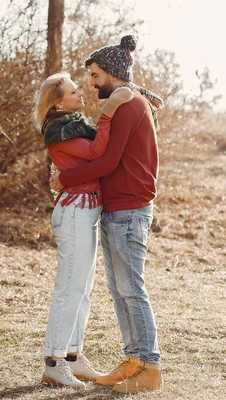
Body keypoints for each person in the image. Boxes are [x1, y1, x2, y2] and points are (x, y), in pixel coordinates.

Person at [50, 35, 165, 393]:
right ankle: (134, 359)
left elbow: (107, 160)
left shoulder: (129, 106)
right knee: (120, 290)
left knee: (132, 291)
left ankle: (150, 366)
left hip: (130, 207)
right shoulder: (125, 103)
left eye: (96, 75)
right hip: (119, 208)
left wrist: (64, 179)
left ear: (112, 74)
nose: (92, 83)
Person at [34, 72, 134, 388]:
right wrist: (107, 113)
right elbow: (96, 153)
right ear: (57, 102)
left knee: (83, 288)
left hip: (86, 209)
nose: (80, 93)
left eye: (78, 88)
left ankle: (73, 356)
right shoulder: (58, 129)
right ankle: (54, 361)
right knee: (70, 287)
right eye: (73, 91)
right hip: (75, 211)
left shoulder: (73, 124)